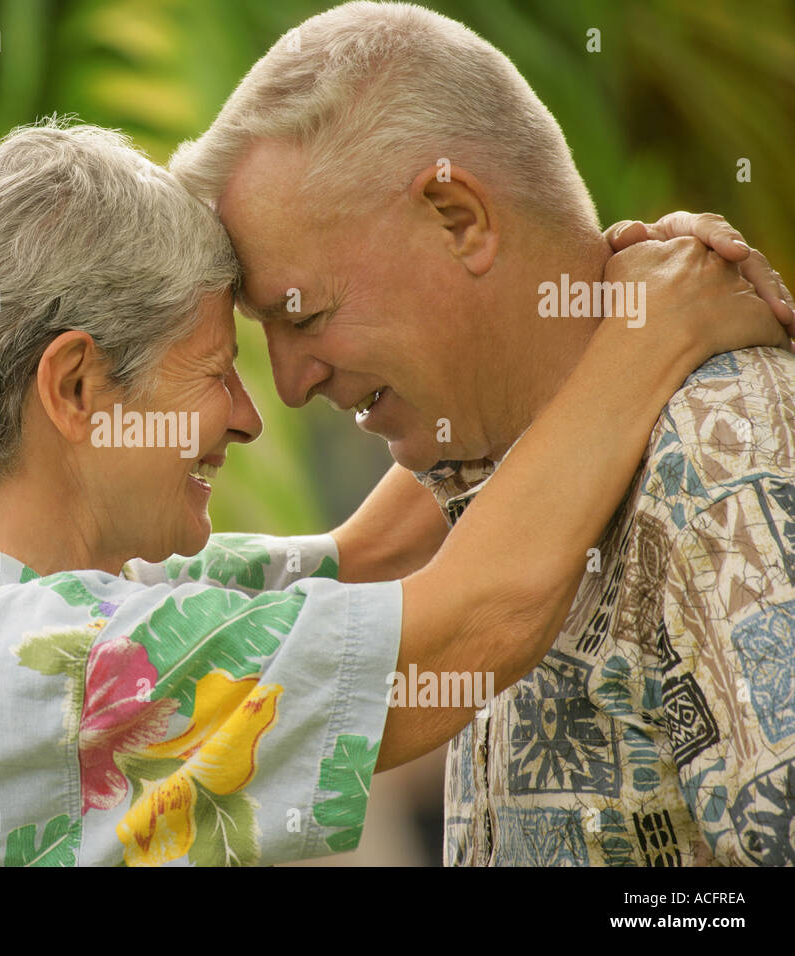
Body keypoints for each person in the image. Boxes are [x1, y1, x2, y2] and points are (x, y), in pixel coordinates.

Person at [0, 120, 790, 867]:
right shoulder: (58, 665)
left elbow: (369, 559)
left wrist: (554, 311)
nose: (252, 415)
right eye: (212, 372)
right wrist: (648, 333)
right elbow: (469, 620)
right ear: (80, 387)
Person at [168, 1, 795, 865]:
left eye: (303, 313)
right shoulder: (489, 479)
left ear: (458, 216)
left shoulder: (723, 463)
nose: (288, 384)